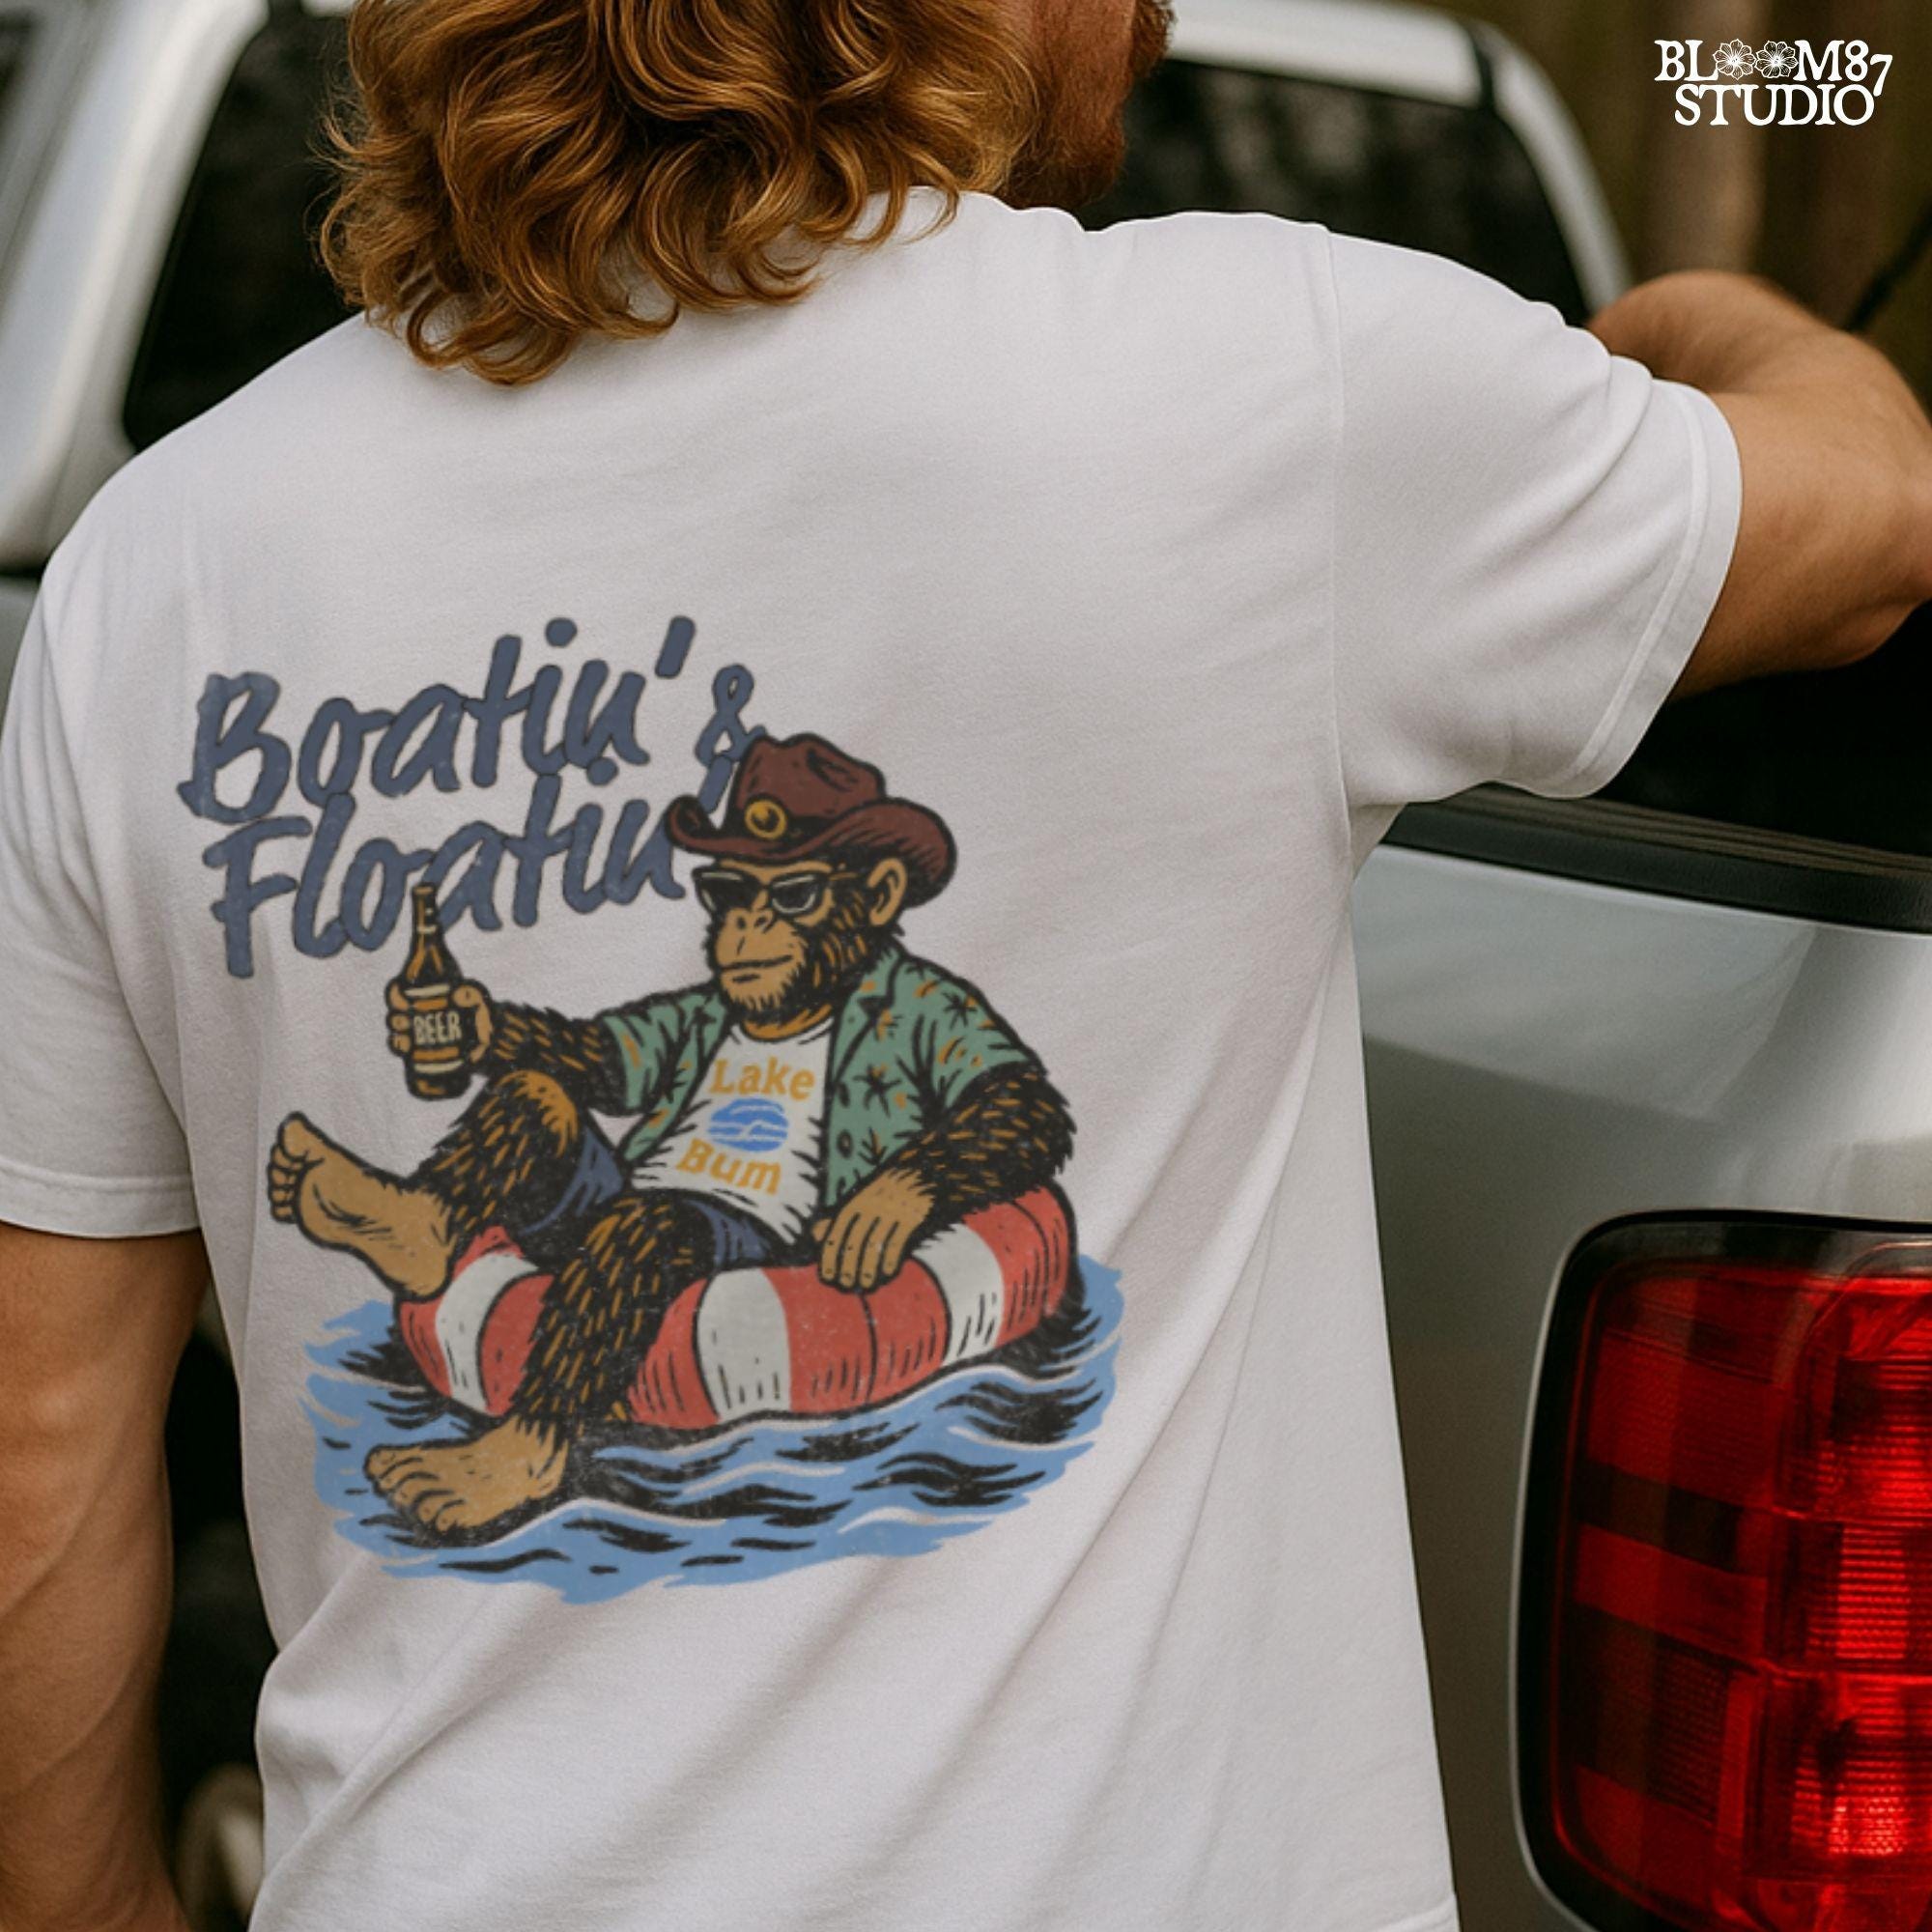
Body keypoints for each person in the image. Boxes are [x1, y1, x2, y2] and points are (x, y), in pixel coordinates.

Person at [0, 1, 1925, 1929]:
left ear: (848, 911)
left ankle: (496, 1366)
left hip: (669, 1429)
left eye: (772, 903)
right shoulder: (1287, 389)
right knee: (535, 1120)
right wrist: (1697, 325)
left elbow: (47, 1443)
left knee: (648, 1233)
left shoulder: (157, 567)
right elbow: (1874, 514)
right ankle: (454, 1284)